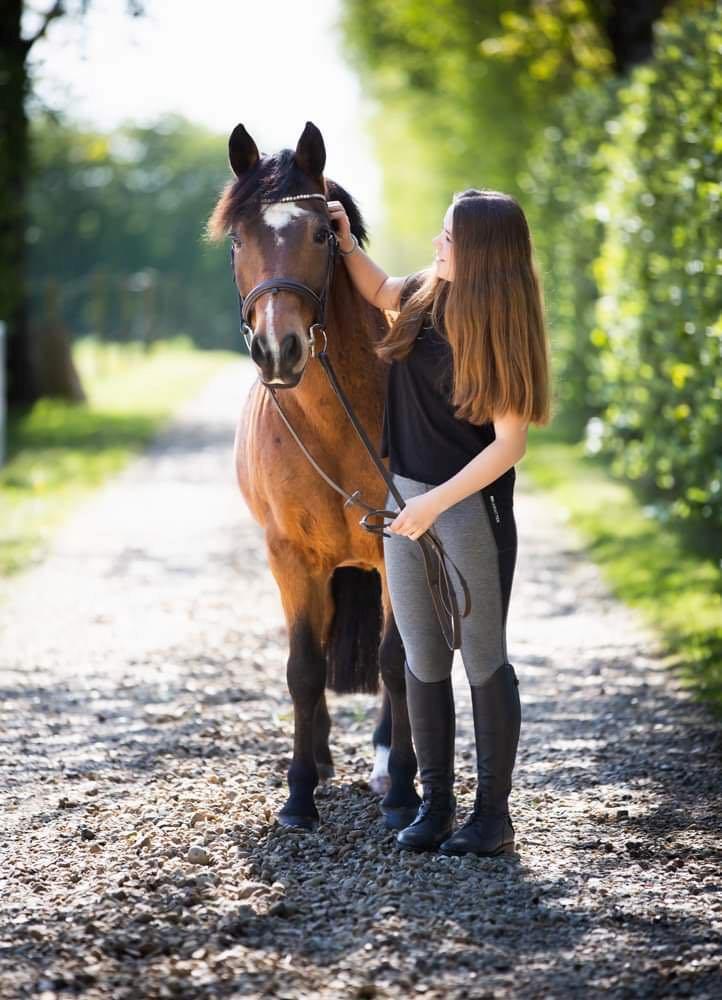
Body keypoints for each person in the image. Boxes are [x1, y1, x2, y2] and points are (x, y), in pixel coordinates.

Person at [327, 189, 551, 855]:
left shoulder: (501, 328)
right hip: (408, 501)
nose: (436, 245)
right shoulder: (425, 293)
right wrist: (343, 244)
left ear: (479, 253)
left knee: (482, 658)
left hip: (465, 509)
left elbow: (509, 445)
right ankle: (436, 806)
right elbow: (378, 290)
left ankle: (493, 818)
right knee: (420, 654)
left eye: (448, 238)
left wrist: (433, 504)